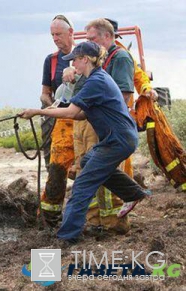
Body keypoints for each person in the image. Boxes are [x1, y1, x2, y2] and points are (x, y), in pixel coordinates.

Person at [20, 41, 150, 242]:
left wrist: (37, 111)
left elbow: (71, 111)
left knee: (82, 184)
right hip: (116, 138)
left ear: (85, 59)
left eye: (74, 61)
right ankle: (133, 193)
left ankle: (67, 237)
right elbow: (80, 114)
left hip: (118, 140)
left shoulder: (96, 81)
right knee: (88, 161)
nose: (72, 65)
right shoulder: (94, 80)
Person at [64, 18, 136, 234]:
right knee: (86, 170)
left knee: (99, 175)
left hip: (105, 128)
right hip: (89, 123)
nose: (90, 43)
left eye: (92, 39)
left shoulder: (120, 57)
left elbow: (122, 96)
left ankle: (114, 223)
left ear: (108, 36)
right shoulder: (96, 65)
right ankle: (95, 222)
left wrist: (103, 123)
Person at [38, 15, 76, 227]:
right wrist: (51, 104)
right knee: (54, 167)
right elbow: (45, 93)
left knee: (83, 165)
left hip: (80, 119)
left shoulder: (85, 55)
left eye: (58, 34)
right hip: (56, 118)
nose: (55, 39)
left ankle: (82, 212)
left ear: (70, 33)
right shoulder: (51, 61)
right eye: (52, 35)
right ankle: (51, 217)